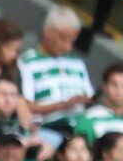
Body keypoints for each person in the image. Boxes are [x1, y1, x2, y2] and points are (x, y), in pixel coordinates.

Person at [18, 8, 93, 147]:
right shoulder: (27, 62)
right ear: (47, 31)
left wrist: (88, 101)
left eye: (72, 41)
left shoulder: (77, 63)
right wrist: (61, 106)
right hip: (49, 128)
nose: (67, 46)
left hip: (80, 128)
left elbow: (90, 97)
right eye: (63, 39)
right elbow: (27, 106)